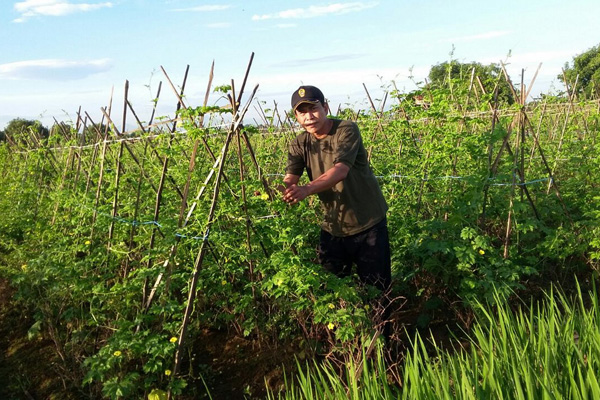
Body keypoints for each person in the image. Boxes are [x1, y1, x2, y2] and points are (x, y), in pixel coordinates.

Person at [282, 85, 392, 334]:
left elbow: (341, 170)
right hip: (333, 227)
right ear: (296, 117)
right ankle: (344, 345)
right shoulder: (300, 143)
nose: (308, 116)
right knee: (330, 289)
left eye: (313, 108)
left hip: (367, 223)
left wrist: (306, 190)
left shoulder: (346, 129)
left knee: (376, 292)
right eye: (301, 112)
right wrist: (281, 190)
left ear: (325, 107)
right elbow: (291, 177)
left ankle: (385, 347)